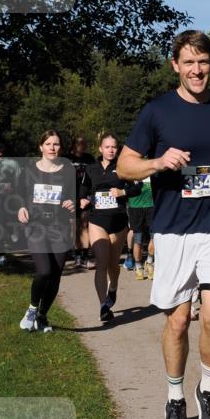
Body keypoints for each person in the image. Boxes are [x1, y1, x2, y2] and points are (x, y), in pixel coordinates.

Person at [117, 29, 210, 419]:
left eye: (204, 62)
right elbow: (125, 165)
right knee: (178, 323)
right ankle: (175, 398)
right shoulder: (157, 111)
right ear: (175, 65)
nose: (197, 70)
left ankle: (208, 390)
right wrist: (158, 162)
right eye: (189, 62)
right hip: (173, 230)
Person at [16, 130, 76, 332]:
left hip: (60, 227)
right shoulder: (29, 170)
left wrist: (72, 202)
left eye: (56, 144)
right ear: (40, 146)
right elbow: (19, 194)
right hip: (36, 226)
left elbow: (74, 195)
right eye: (48, 144)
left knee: (56, 275)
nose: (52, 147)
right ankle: (32, 309)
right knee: (44, 271)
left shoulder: (67, 171)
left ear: (61, 147)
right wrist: (21, 207)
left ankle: (42, 317)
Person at [81, 133, 133, 323]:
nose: (111, 150)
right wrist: (82, 198)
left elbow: (137, 188)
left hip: (118, 222)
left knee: (113, 264)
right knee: (102, 262)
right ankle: (103, 306)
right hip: (97, 221)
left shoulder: (123, 167)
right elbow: (84, 188)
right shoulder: (91, 168)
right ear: (100, 149)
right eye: (107, 147)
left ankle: (113, 287)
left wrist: (122, 191)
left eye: (114, 147)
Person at [67, 136, 95, 269]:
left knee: (84, 226)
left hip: (85, 197)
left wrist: (89, 197)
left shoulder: (89, 159)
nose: (82, 146)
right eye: (79, 143)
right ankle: (77, 256)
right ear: (73, 144)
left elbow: (94, 177)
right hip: (70, 197)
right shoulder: (66, 158)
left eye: (84, 143)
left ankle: (85, 256)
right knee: (74, 226)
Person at [126, 170, 155, 280]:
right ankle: (138, 266)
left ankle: (149, 262)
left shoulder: (152, 164)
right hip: (135, 208)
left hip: (152, 206)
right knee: (138, 239)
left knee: (155, 237)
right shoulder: (132, 165)